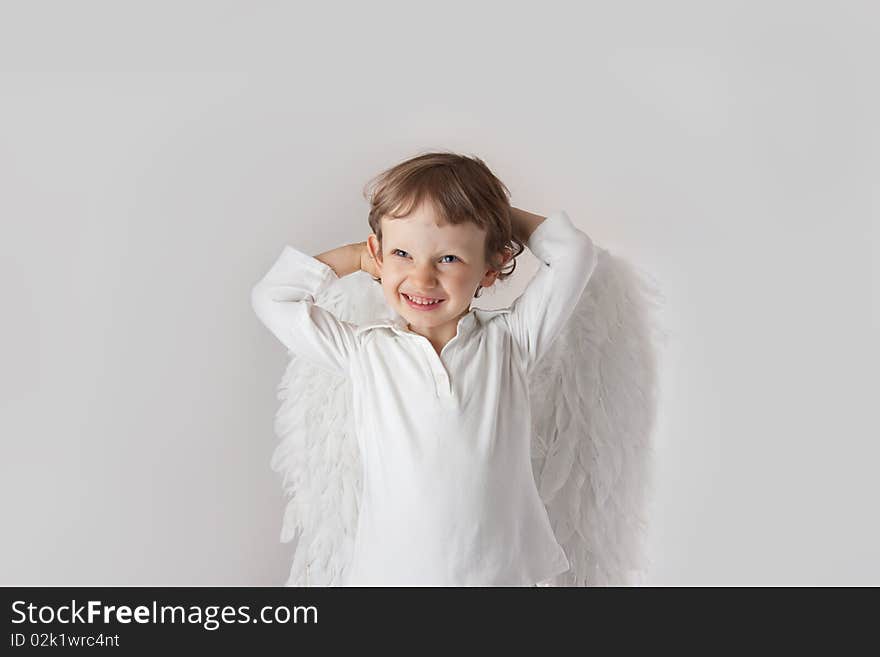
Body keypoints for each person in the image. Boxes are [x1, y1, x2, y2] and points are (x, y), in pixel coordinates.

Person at [251, 151, 598, 585]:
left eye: (448, 258)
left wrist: (488, 213)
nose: (422, 278)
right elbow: (273, 297)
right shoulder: (365, 352)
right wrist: (360, 256)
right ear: (379, 254)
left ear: (490, 268)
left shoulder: (510, 341)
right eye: (402, 253)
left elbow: (573, 254)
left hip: (499, 576)